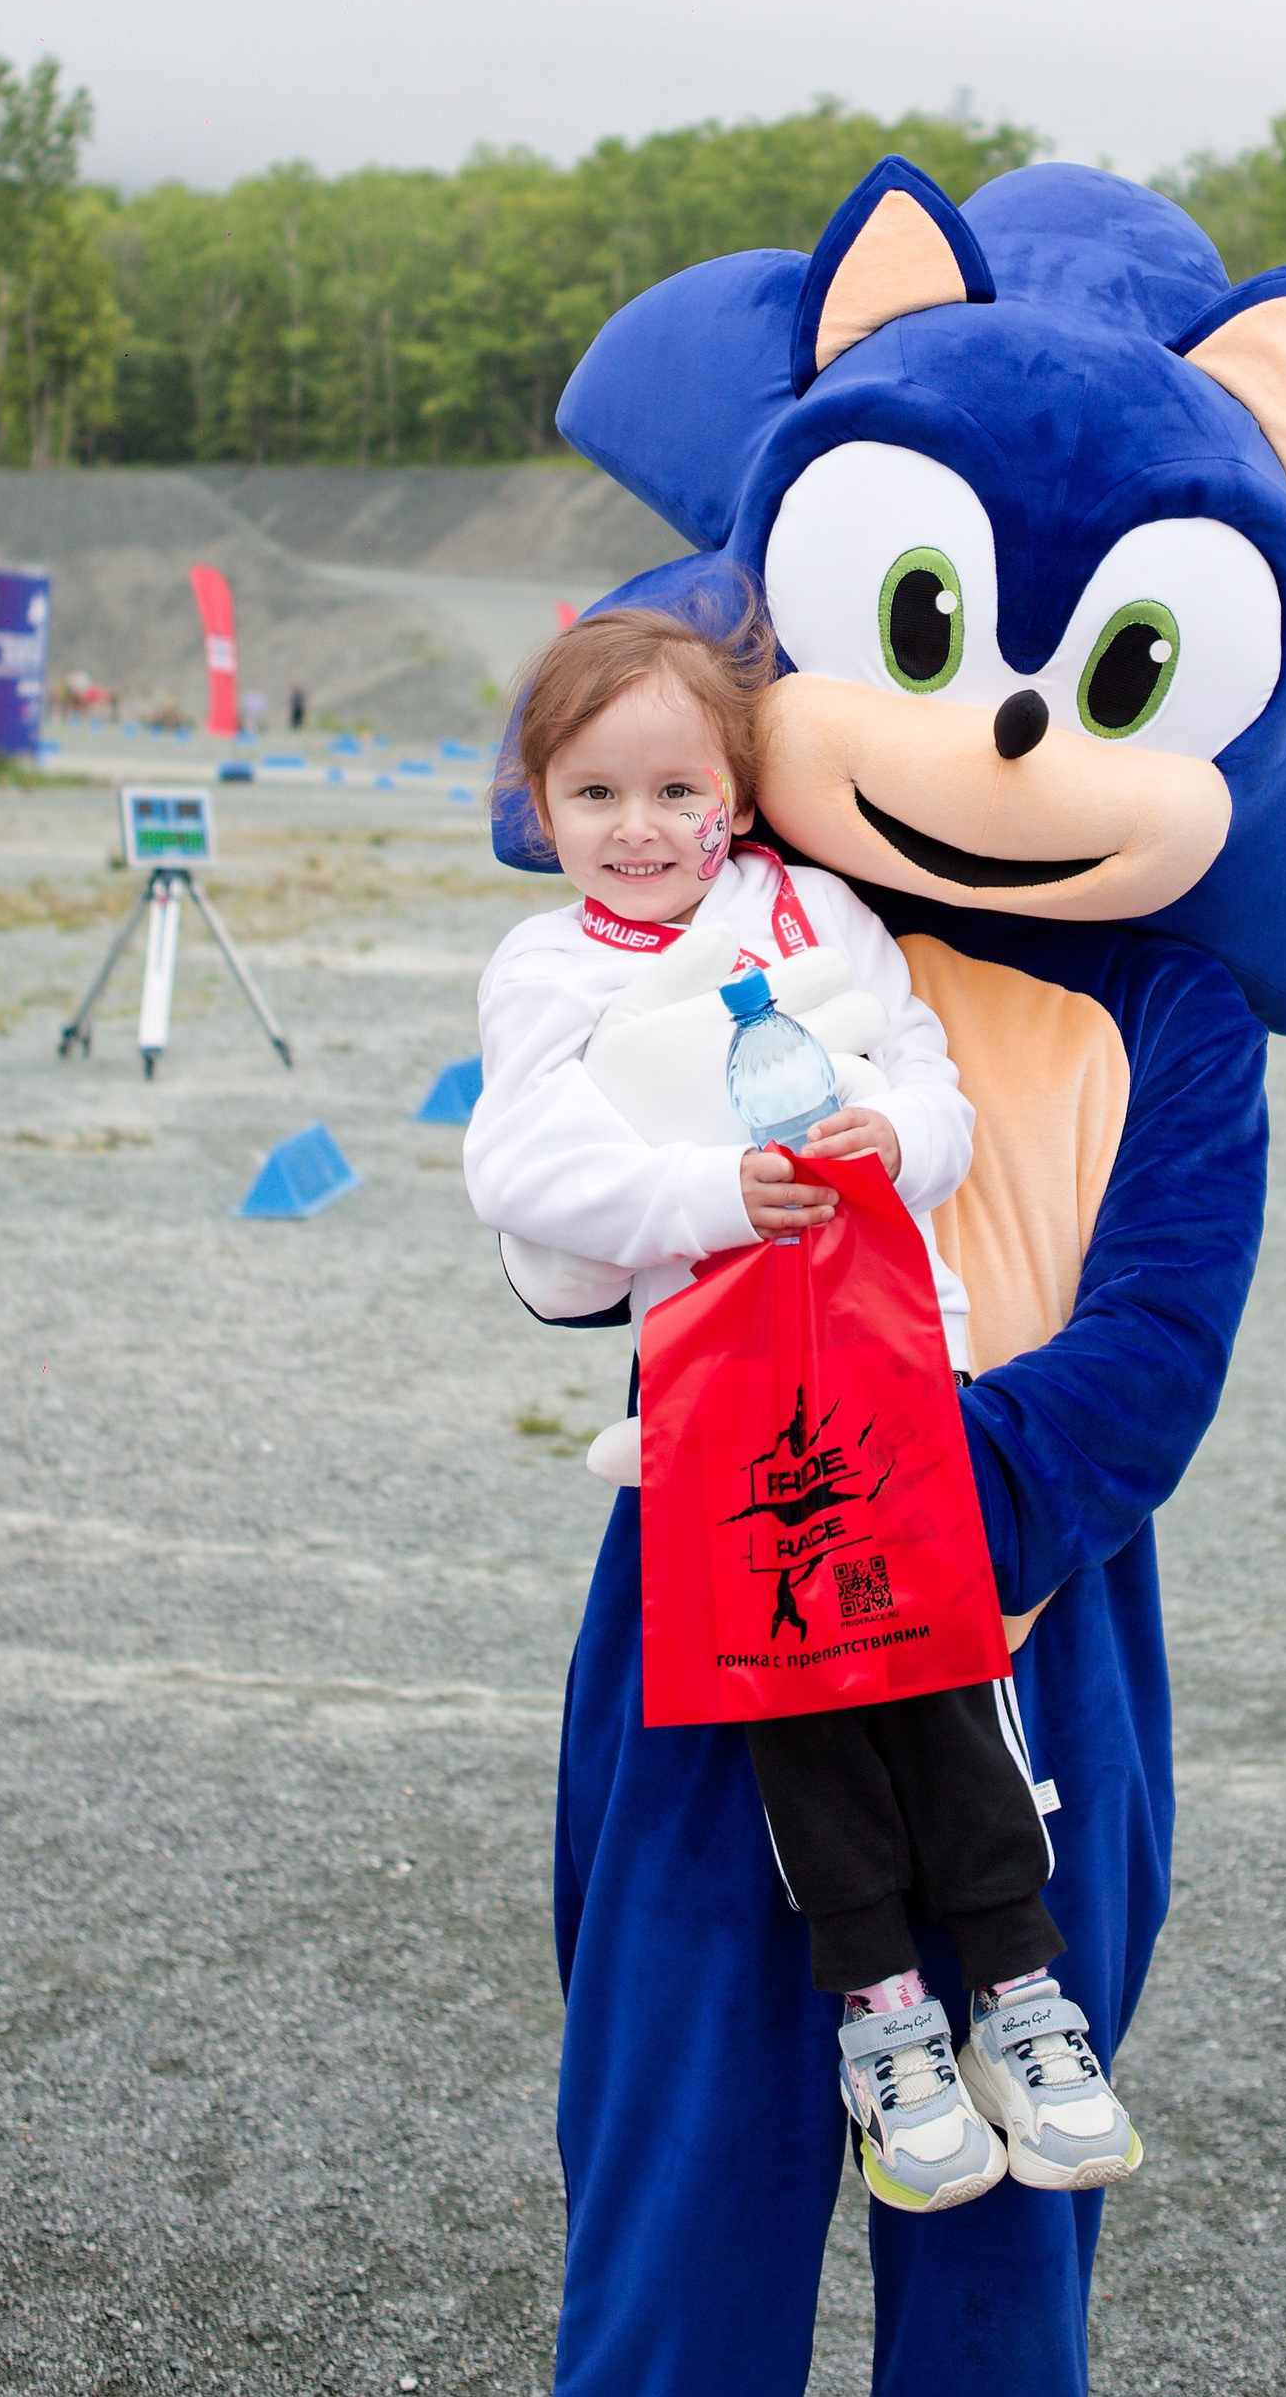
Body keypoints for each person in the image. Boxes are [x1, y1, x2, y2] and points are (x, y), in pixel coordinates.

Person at [465, 603, 1140, 2216]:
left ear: (740, 794)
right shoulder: (546, 966)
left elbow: (932, 1083)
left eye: (677, 789)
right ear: (541, 805)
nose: (641, 830)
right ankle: (882, 2016)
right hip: (724, 1402)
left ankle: (1023, 1998)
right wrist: (710, 1187)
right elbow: (520, 1168)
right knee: (798, 1703)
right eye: (596, 794)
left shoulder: (817, 912)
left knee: (946, 1672)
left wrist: (890, 1140)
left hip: (899, 1359)